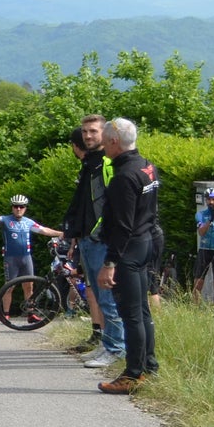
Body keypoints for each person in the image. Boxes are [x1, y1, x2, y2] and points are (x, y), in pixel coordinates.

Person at [96, 118, 160, 394]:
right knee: (142, 311)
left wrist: (110, 262)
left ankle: (133, 375)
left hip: (129, 250)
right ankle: (149, 367)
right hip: (146, 242)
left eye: (104, 141)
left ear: (113, 142)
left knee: (131, 315)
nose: (102, 146)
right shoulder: (147, 166)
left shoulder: (123, 177)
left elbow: (122, 226)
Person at [65, 116, 126, 370]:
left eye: (93, 131)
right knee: (101, 299)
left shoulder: (107, 163)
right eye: (85, 132)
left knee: (109, 298)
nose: (88, 136)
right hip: (87, 240)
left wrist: (101, 233)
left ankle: (116, 348)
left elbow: (114, 205)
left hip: (101, 241)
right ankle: (108, 344)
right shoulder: (89, 163)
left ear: (105, 133)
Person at [0, 194, 61, 316]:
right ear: (12, 207)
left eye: (21, 206)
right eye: (16, 206)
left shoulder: (28, 222)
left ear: (25, 208)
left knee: (29, 286)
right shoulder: (6, 220)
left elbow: (44, 230)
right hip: (11, 258)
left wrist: (61, 234)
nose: (18, 209)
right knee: (9, 287)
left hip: (26, 258)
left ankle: (30, 314)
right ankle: (6, 314)